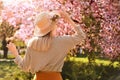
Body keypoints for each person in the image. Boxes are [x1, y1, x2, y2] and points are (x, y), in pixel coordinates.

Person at [7, 10, 86, 80]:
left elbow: (24, 67)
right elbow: (81, 36)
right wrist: (69, 19)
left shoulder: (32, 43)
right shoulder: (62, 41)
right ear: (53, 26)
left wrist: (15, 53)